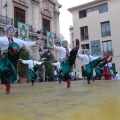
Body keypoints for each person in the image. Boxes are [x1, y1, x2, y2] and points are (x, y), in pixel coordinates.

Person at [0, 25, 42, 94]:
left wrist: (36, 42)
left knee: (12, 72)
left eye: (13, 30)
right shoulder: (2, 39)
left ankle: (8, 85)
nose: (12, 31)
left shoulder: (16, 40)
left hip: (13, 57)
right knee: (2, 70)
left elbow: (26, 43)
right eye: (10, 30)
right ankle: (7, 84)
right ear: (7, 31)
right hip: (4, 57)